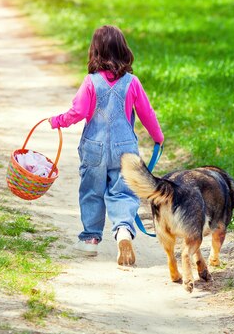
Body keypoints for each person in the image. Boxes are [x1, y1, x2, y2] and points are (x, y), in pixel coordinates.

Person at [49, 25, 164, 266]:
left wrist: (58, 121)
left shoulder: (91, 82)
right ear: (123, 50)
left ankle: (91, 239)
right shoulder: (132, 82)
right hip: (125, 150)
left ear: (95, 52)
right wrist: (158, 137)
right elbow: (146, 113)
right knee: (123, 191)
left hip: (94, 148)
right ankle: (123, 230)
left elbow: (78, 112)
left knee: (91, 191)